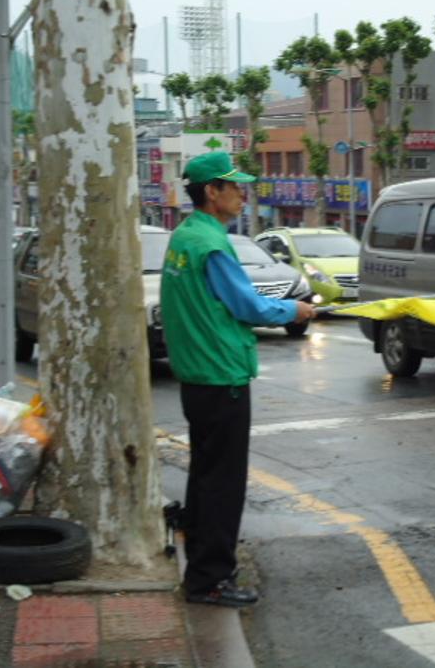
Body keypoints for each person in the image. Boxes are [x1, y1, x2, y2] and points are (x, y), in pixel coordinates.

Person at [160, 151, 315, 607]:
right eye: (234, 186)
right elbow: (248, 306)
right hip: (221, 374)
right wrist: (296, 309)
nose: (242, 194)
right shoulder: (212, 245)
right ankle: (210, 579)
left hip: (197, 375)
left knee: (205, 478)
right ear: (212, 192)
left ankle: (201, 569)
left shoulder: (184, 238)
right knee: (223, 485)